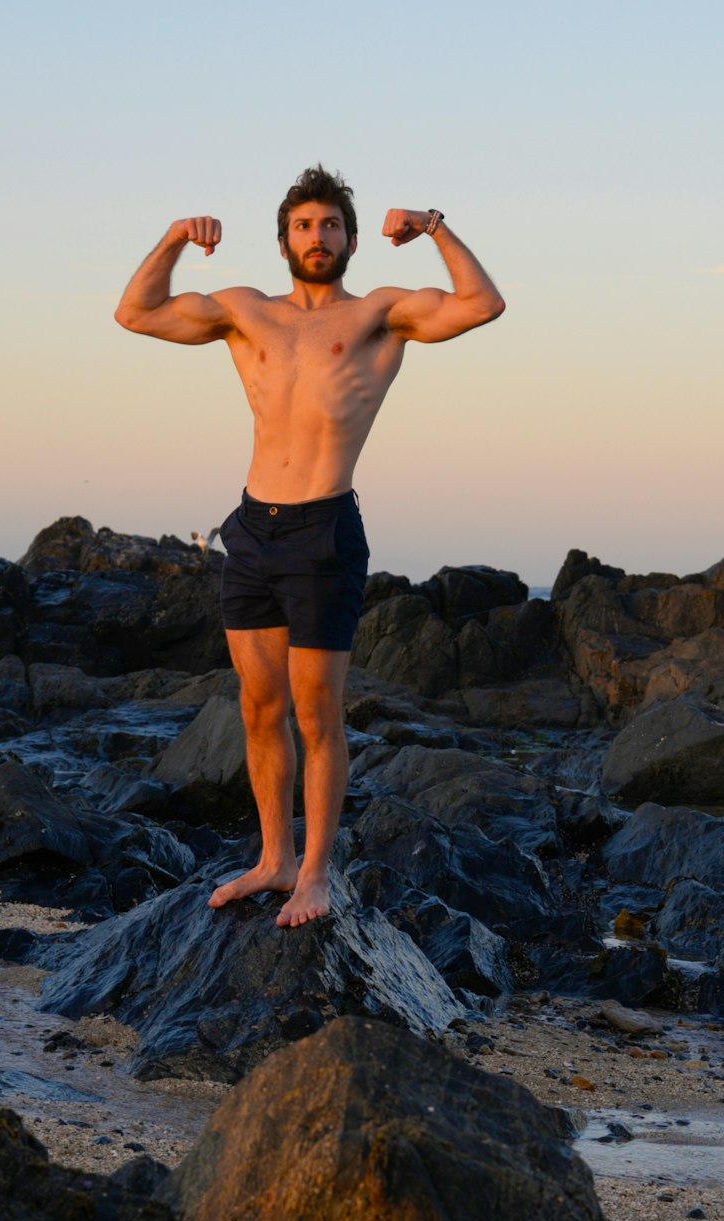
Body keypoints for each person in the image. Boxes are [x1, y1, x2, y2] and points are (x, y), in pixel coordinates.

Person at [114, 165, 505, 928]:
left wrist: (432, 225)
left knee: (317, 711)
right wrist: (170, 238)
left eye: (330, 226)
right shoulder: (245, 312)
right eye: (303, 226)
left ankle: (317, 874)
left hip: (324, 530)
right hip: (252, 531)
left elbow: (483, 304)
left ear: (352, 239)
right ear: (285, 239)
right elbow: (135, 312)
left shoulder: (379, 315)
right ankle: (274, 859)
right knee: (260, 708)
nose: (316, 237)